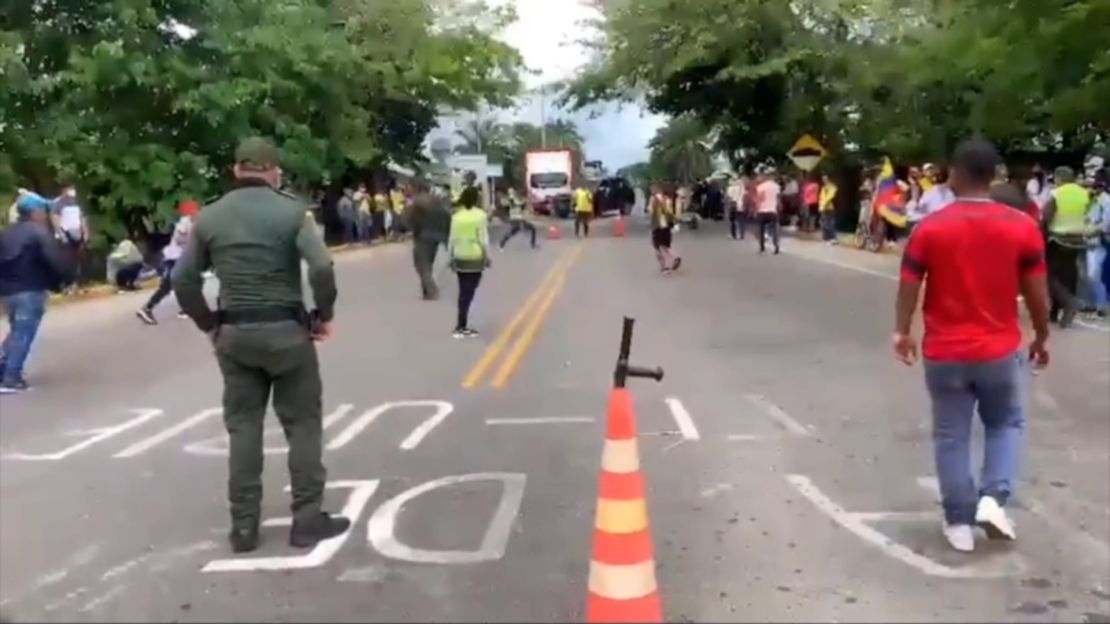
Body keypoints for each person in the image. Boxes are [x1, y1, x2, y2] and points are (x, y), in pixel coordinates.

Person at [172, 137, 349, 554]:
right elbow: (322, 265)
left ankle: (244, 528)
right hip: (288, 333)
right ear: (274, 172)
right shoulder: (292, 213)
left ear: (236, 170)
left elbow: (183, 279)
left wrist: (208, 324)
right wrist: (324, 314)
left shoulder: (210, 216)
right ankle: (306, 521)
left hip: (235, 335)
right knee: (302, 425)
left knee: (244, 428)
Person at [894, 138, 1050, 553]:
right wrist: (1042, 335)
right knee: (1005, 423)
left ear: (956, 175)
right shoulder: (1022, 227)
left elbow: (910, 282)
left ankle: (957, 522)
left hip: (945, 353)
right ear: (993, 176)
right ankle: (993, 499)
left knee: (951, 435)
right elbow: (1037, 292)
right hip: (999, 350)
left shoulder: (931, 227)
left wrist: (902, 331)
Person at [0, 193, 74, 393]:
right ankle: (11, 378)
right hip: (30, 289)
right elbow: (54, 260)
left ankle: (3, 369)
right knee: (23, 333)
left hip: (7, 292)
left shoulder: (6, 233)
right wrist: (64, 281)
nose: (45, 214)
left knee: (17, 332)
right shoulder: (38, 233)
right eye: (43, 210)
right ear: (35, 212)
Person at [1041, 166, 1090, 328]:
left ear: (1059, 178)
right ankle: (1055, 313)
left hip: (1058, 239)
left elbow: (1046, 216)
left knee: (1049, 276)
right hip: (1078, 240)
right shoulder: (1084, 193)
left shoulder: (1057, 193)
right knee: (1068, 276)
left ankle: (1069, 302)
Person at [137, 200, 198, 325]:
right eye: (194, 211)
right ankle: (147, 308)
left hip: (179, 258)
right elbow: (181, 238)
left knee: (182, 283)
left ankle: (185, 309)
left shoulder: (192, 223)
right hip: (176, 258)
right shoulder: (185, 223)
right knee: (169, 285)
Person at [447, 186, 490, 338]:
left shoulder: (456, 216)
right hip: (474, 256)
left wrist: (450, 257)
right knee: (469, 291)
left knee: (463, 291)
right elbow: (483, 239)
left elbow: (451, 239)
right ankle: (461, 325)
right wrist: (487, 256)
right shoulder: (480, 216)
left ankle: (461, 323)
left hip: (459, 255)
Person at [406, 178, 451, 300]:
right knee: (428, 263)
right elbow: (447, 217)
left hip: (423, 236)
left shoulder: (417, 202)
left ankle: (431, 289)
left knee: (421, 264)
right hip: (437, 237)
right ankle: (426, 291)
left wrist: (413, 231)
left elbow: (413, 220)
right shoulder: (437, 201)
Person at [1083, 171, 1109, 318]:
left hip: (1100, 241)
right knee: (1089, 274)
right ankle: (1095, 305)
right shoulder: (1094, 200)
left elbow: (1106, 223)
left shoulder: (1106, 201)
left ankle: (1100, 306)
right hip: (1091, 241)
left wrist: (1094, 230)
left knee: (1094, 274)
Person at [649, 184, 681, 273]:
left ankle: (664, 267)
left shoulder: (653, 199)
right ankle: (675, 257)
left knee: (657, 247)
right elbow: (670, 213)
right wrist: (674, 223)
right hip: (666, 226)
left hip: (657, 226)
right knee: (666, 245)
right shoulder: (667, 199)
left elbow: (651, 212)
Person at [755, 170, 782, 255]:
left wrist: (756, 209)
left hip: (762, 211)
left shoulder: (760, 187)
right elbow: (778, 199)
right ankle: (776, 247)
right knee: (775, 229)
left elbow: (759, 200)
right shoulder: (777, 186)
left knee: (761, 230)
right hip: (772, 210)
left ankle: (762, 248)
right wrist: (778, 207)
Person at [818, 174, 838, 243]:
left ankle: (832, 238)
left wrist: (823, 204)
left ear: (828, 179)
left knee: (830, 223)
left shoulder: (832, 187)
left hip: (829, 207)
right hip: (823, 208)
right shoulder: (823, 188)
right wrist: (820, 206)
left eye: (825, 179)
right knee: (824, 223)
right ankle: (825, 238)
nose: (824, 180)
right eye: (823, 179)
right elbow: (821, 198)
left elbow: (830, 196)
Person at [727, 174, 747, 240]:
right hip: (741, 204)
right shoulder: (742, 187)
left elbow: (729, 197)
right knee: (741, 220)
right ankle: (741, 234)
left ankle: (734, 234)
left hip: (733, 204)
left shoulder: (730, 188)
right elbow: (744, 196)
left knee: (733, 220)